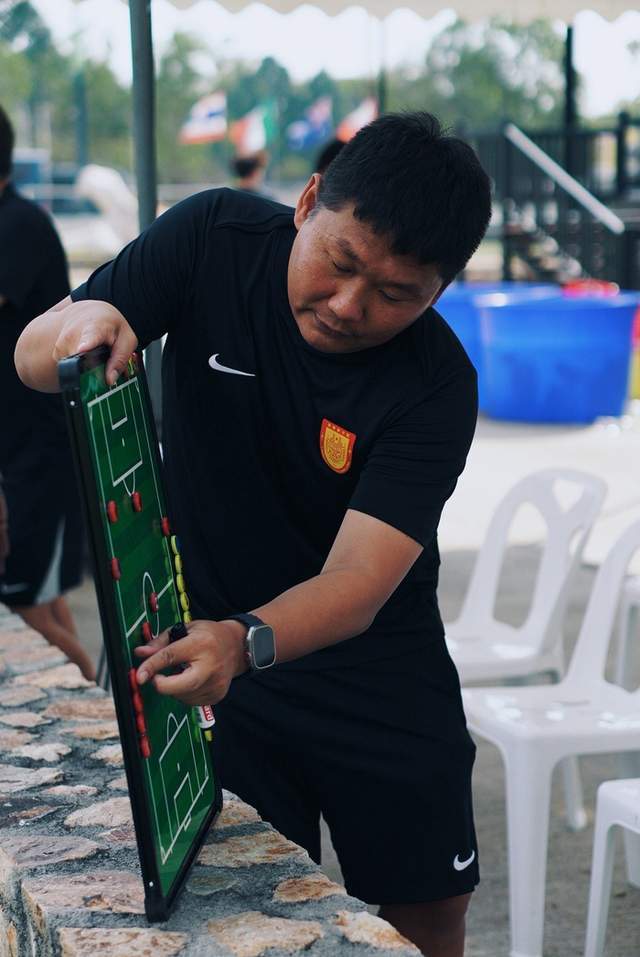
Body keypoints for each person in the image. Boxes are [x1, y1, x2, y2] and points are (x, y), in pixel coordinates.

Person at [16, 111, 491, 956]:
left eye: (395, 295)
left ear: (439, 291)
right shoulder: (214, 238)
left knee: (424, 918)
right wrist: (80, 332)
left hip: (374, 672)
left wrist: (244, 640)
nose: (348, 305)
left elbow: (356, 582)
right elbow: (30, 350)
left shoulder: (437, 382)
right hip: (217, 664)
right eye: (340, 262)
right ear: (308, 202)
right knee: (244, 911)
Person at [0, 104, 94, 681]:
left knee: (24, 608)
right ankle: (97, 707)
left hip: (39, 458)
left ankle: (100, 713)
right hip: (22, 457)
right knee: (46, 603)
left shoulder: (18, 224)